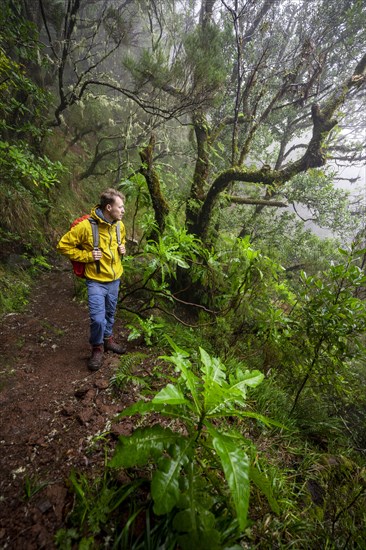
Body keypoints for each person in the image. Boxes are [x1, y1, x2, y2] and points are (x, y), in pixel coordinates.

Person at [57, 188, 127, 371]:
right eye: (120, 207)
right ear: (109, 207)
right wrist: (87, 256)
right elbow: (63, 245)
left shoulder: (120, 226)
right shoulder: (87, 227)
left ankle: (108, 339)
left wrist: (123, 249)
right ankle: (97, 347)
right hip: (95, 280)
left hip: (115, 279)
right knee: (97, 319)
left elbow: (122, 242)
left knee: (110, 314)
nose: (123, 210)